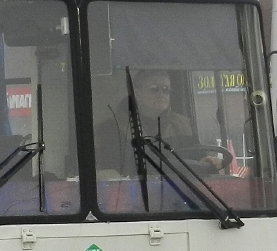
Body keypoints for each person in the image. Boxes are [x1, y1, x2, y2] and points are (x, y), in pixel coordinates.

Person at [94, 69, 224, 176]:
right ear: (137, 93)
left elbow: (197, 158)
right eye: (154, 89)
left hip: (183, 195)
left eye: (166, 89)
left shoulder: (184, 125)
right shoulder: (111, 130)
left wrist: (206, 161)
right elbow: (107, 174)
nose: (161, 94)